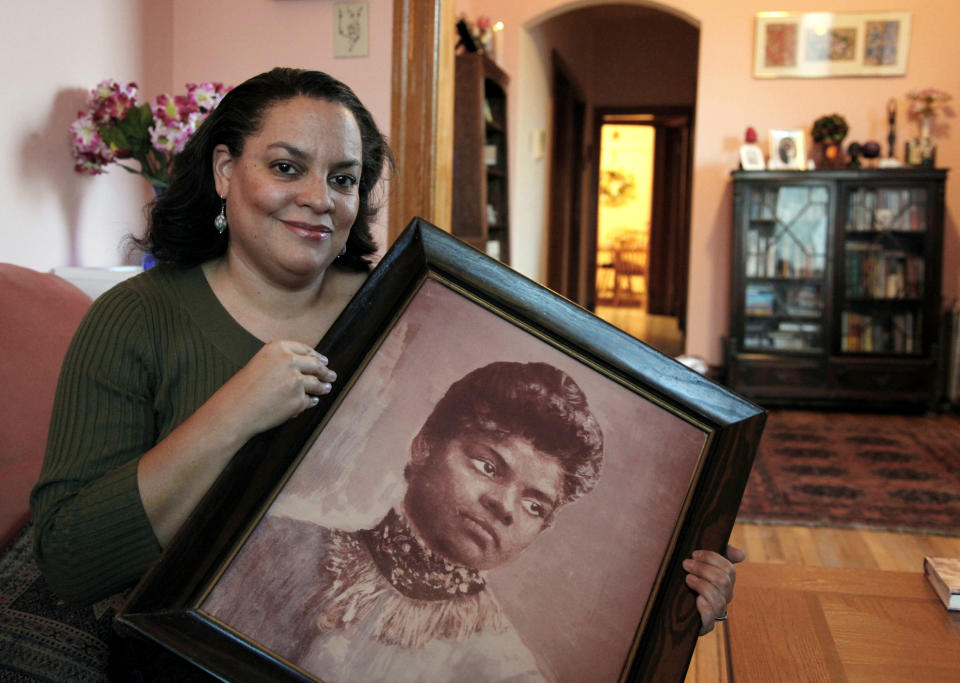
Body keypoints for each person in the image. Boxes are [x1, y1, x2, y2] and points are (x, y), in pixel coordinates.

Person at [30, 66, 740, 665]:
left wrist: (668, 608)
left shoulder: (405, 315)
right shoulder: (137, 318)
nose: (318, 198)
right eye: (286, 167)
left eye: (343, 177)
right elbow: (70, 560)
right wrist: (234, 412)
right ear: (223, 169)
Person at [204, 361, 604, 681]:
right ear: (425, 446)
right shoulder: (273, 545)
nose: (505, 507)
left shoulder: (502, 667)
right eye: (488, 466)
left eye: (535, 506)